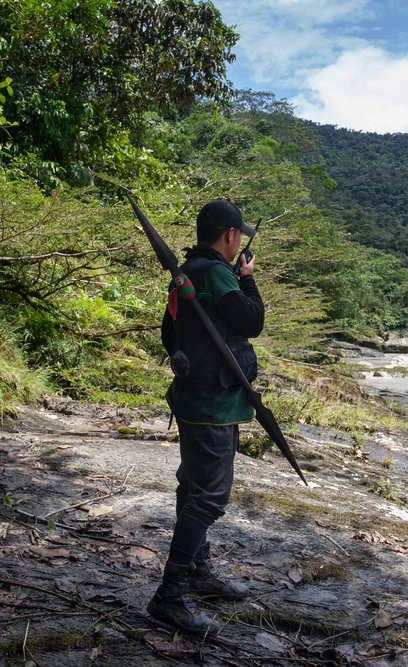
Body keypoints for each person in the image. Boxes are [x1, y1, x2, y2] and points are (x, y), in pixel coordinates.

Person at [147, 199, 264, 634]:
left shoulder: (188, 274)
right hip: (212, 404)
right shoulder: (217, 273)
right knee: (210, 497)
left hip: (193, 396)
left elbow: (169, 333)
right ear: (231, 235)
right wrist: (248, 281)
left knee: (192, 485)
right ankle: (169, 595)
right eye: (239, 237)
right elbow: (252, 322)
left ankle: (197, 570)